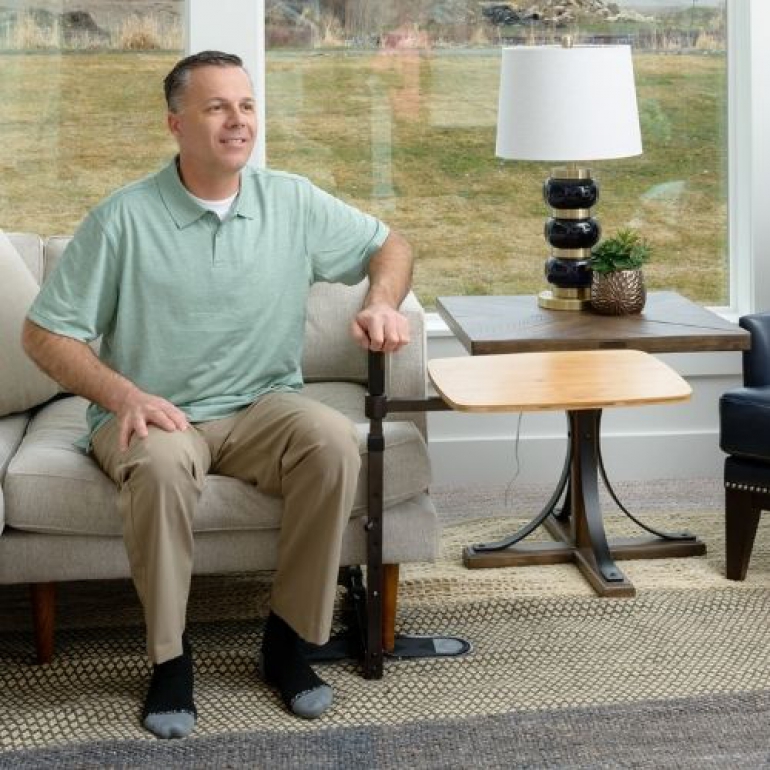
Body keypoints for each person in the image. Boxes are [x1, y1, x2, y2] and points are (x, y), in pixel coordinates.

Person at [21, 50, 413, 740]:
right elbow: (44, 334)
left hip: (263, 405)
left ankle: (288, 640)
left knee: (331, 443)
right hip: (157, 410)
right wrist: (122, 395)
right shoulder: (123, 219)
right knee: (166, 465)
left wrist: (382, 302)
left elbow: (392, 247)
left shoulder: (290, 200)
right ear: (176, 123)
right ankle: (170, 658)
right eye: (216, 107)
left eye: (248, 105)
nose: (239, 121)